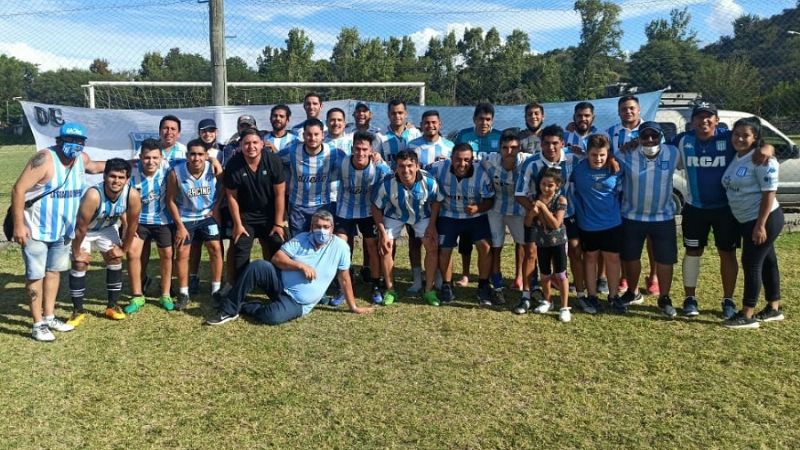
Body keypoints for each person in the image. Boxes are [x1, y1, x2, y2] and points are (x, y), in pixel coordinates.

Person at [673, 102, 772, 319]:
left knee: (726, 253)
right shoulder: (683, 140)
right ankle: (690, 298)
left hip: (725, 210)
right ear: (692, 121)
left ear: (717, 121)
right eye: (699, 117)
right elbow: (655, 146)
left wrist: (767, 148)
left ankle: (728, 300)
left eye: (709, 117)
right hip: (694, 207)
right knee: (692, 252)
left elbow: (759, 145)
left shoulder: (728, 138)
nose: (704, 121)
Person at [11, 122, 106, 340]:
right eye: (69, 141)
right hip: (35, 230)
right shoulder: (44, 159)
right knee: (36, 275)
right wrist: (19, 225)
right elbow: (18, 189)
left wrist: (132, 163)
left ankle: (49, 315)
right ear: (59, 140)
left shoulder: (81, 160)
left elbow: (95, 167)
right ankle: (37, 324)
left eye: (78, 142)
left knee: (54, 272)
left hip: (63, 231)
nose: (74, 146)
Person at [205, 209, 373, 325]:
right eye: (317, 226)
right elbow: (277, 258)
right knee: (258, 266)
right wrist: (299, 265)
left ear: (332, 228)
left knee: (272, 316)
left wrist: (354, 306)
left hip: (298, 303)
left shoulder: (341, 247)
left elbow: (344, 278)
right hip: (279, 284)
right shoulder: (302, 238)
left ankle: (245, 306)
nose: (321, 230)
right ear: (311, 227)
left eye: (325, 227)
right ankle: (229, 309)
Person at [721, 117, 784, 329]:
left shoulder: (761, 159)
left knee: (751, 262)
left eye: (745, 135)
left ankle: (747, 314)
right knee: (768, 261)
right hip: (746, 219)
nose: (739, 138)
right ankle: (774, 307)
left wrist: (760, 225)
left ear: (755, 137)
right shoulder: (739, 155)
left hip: (763, 219)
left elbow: (769, 193)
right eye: (736, 134)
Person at [515, 125, 583, 311]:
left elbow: (596, 158)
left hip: (565, 214)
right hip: (535, 216)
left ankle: (581, 295)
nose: (551, 147)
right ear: (541, 144)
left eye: (555, 143)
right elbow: (519, 194)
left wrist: (610, 159)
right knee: (530, 253)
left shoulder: (573, 159)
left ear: (562, 143)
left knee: (575, 252)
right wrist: (539, 212)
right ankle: (526, 295)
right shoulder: (531, 163)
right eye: (546, 143)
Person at [614, 122, 679, 317]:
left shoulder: (673, 152)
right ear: (639, 138)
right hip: (632, 215)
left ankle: (664, 297)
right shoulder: (626, 154)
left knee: (665, 259)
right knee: (630, 257)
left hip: (663, 216)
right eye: (645, 136)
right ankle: (632, 292)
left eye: (654, 135)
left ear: (661, 136)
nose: (650, 139)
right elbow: (611, 162)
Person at [70, 158, 142, 321]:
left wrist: (123, 249)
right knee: (79, 264)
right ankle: (77, 310)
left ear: (127, 179)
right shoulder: (93, 195)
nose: (116, 181)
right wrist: (76, 252)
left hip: (106, 228)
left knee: (115, 258)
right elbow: (80, 228)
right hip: (85, 230)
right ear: (104, 176)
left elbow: (132, 226)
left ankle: (112, 305)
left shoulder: (132, 195)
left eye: (121, 177)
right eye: (112, 176)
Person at [372, 150, 442, 306]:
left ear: (417, 166)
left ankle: (429, 290)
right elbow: (376, 206)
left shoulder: (429, 181)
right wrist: (382, 232)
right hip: (395, 214)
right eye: (401, 166)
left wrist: (432, 225)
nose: (406, 170)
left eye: (410, 165)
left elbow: (437, 200)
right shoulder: (387, 183)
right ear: (396, 167)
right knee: (385, 246)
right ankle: (390, 289)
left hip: (421, 215)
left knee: (431, 245)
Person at [428, 143, 495, 305]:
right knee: (445, 249)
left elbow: (490, 199)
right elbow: (418, 171)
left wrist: (479, 207)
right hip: (448, 215)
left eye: (467, 160)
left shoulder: (481, 174)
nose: (462, 164)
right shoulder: (438, 168)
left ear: (473, 160)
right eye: (458, 159)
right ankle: (447, 285)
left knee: (485, 246)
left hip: (475, 216)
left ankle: (483, 285)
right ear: (451, 158)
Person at [605, 95, 658, 296]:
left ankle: (652, 277)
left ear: (639, 110)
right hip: (619, 191)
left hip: (647, 192)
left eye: (632, 108)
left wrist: (640, 141)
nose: (628, 112)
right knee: (625, 237)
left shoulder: (651, 131)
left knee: (651, 238)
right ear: (619, 111)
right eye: (624, 109)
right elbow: (600, 150)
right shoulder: (611, 132)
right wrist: (611, 157)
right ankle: (626, 276)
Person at [332, 131, 391, 304]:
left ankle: (375, 285)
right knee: (342, 247)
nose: (360, 153)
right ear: (352, 148)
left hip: (368, 211)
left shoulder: (378, 166)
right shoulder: (342, 163)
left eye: (365, 149)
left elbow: (393, 179)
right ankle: (342, 287)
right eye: (357, 148)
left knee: (372, 247)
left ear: (371, 150)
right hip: (345, 210)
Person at [166, 139, 224, 311]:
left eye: (200, 154)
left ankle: (216, 290)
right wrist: (180, 226)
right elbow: (170, 201)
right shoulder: (176, 173)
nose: (196, 158)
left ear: (206, 155)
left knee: (215, 248)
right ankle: (184, 293)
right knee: (183, 252)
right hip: (186, 217)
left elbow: (224, 188)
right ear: (187, 155)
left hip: (207, 215)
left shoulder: (213, 169)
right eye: (193, 154)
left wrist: (216, 208)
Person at [224, 128, 287, 281]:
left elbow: (280, 194)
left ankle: (277, 285)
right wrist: (238, 224)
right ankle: (239, 288)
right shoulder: (233, 164)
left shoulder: (273, 161)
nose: (251, 147)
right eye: (246, 143)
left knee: (277, 243)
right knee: (240, 246)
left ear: (261, 144)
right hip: (246, 216)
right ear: (240, 145)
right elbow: (231, 197)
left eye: (254, 143)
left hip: (270, 214)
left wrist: (278, 223)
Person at [571, 134, 623, 314]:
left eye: (602, 155)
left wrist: (613, 159)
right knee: (590, 258)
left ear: (608, 153)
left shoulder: (615, 168)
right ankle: (592, 295)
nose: (598, 159)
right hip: (588, 224)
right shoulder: (578, 170)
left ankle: (614, 296)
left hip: (612, 223)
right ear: (587, 153)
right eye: (594, 155)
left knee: (613, 259)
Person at [453, 103, 503, 287]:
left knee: (490, 237)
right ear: (474, 119)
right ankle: (465, 274)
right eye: (481, 119)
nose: (484, 122)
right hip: (469, 192)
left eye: (488, 119)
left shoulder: (499, 136)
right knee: (466, 237)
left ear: (492, 121)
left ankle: (491, 272)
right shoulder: (464, 135)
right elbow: (457, 158)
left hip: (494, 193)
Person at [480, 130, 531, 307]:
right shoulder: (489, 160)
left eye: (514, 147)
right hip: (496, 209)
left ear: (520, 148)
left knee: (525, 246)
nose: (510, 151)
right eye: (505, 147)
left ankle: (527, 285)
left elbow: (557, 157)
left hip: (519, 210)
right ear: (499, 148)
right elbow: (466, 157)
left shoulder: (528, 160)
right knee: (495, 247)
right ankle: (497, 286)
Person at [406, 110, 454, 293]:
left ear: (440, 124)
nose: (430, 126)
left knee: (439, 242)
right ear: (421, 125)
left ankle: (439, 278)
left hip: (442, 203)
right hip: (416, 204)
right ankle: (417, 279)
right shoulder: (413, 146)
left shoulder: (449, 146)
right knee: (415, 242)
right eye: (426, 122)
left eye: (434, 122)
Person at [125, 138, 175, 313]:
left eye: (155, 157)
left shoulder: (169, 168)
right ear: (140, 157)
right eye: (147, 158)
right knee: (132, 253)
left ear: (161, 158)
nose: (151, 161)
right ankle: (137, 295)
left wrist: (213, 160)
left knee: (167, 254)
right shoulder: (131, 173)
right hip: (139, 222)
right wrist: (126, 225)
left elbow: (192, 161)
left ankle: (165, 293)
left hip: (162, 220)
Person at [277, 118, 343, 237]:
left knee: (321, 241)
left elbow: (352, 162)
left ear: (323, 135)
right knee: (298, 242)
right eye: (309, 134)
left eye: (316, 134)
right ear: (303, 135)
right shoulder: (292, 151)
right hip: (298, 206)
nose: (312, 138)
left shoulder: (333, 152)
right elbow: (272, 160)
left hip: (322, 205)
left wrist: (374, 156)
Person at [526, 167, 571, 322]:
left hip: (558, 242)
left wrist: (543, 208)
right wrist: (532, 213)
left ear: (557, 185)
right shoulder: (536, 198)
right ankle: (548, 300)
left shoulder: (561, 200)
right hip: (542, 242)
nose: (546, 188)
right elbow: (527, 222)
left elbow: (556, 224)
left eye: (550, 185)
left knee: (560, 274)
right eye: (543, 184)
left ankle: (564, 307)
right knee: (544, 274)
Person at [378, 99, 421, 166]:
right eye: (393, 113)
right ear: (388, 114)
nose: (397, 116)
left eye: (400, 113)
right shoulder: (380, 136)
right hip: (389, 175)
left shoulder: (415, 133)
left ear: (406, 114)